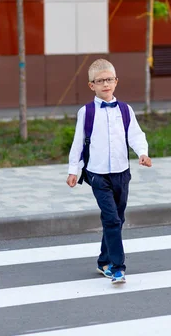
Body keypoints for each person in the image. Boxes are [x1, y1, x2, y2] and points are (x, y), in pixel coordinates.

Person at [66, 58, 152, 284]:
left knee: (117, 219)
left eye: (109, 80)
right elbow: (78, 143)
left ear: (116, 82)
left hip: (122, 173)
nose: (105, 84)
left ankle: (103, 260)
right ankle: (117, 267)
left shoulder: (125, 110)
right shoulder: (86, 112)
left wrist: (142, 152)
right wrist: (73, 170)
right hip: (97, 175)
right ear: (91, 85)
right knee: (112, 220)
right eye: (100, 80)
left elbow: (135, 135)